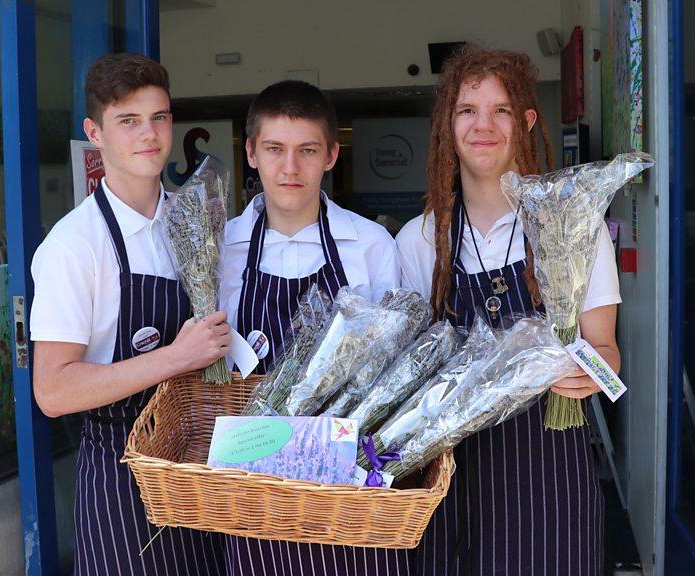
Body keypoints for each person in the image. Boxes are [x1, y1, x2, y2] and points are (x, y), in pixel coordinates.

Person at [395, 46, 622, 576]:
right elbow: (407, 371)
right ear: (448, 126)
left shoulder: (571, 228)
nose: (484, 126)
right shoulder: (421, 240)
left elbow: (608, 352)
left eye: (500, 110)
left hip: (548, 474)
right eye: (468, 110)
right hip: (451, 476)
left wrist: (585, 372)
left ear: (526, 122)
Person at [29, 53, 229, 576]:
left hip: (196, 465)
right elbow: (52, 392)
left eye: (159, 117)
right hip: (122, 480)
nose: (150, 135)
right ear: (94, 132)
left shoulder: (190, 220)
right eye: (128, 121)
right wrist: (175, 357)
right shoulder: (75, 246)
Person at [218, 80, 408, 575]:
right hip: (252, 479)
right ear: (250, 153)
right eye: (274, 149)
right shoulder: (221, 250)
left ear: (331, 155)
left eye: (307, 151)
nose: (290, 167)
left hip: (347, 475)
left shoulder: (370, 245)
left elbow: (396, 366)